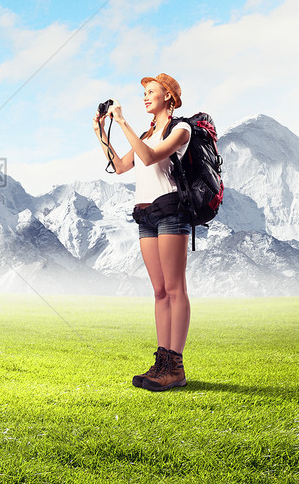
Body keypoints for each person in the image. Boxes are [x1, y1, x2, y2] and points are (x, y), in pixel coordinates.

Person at [92, 73, 191, 392]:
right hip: (145, 213)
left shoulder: (180, 129)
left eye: (151, 92)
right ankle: (162, 361)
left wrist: (121, 122)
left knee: (176, 290)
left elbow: (148, 159)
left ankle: (175, 365)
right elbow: (121, 166)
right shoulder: (147, 132)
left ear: (169, 97)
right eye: (144, 93)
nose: (145, 97)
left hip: (171, 209)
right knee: (160, 291)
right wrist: (102, 135)